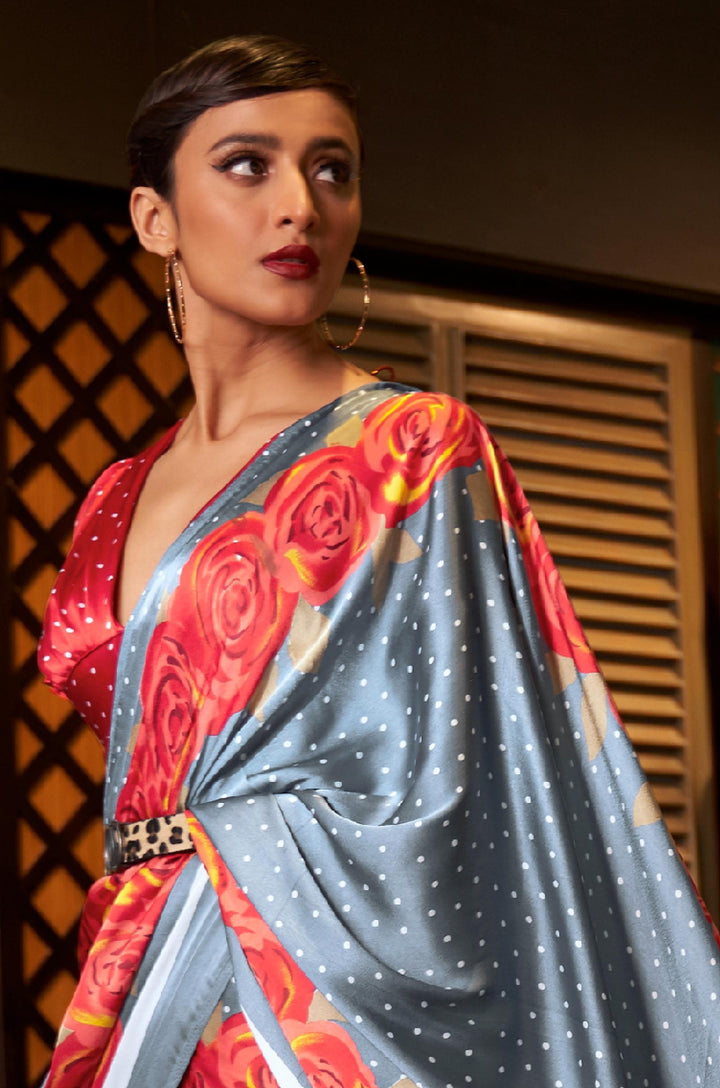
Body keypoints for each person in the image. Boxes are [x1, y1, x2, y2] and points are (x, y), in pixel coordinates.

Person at [38, 33, 719, 1088]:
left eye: (332, 171)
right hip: (136, 977)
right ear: (154, 216)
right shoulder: (115, 497)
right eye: (247, 165)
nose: (300, 206)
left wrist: (236, 849)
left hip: (317, 1003)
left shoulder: (414, 448)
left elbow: (477, 782)